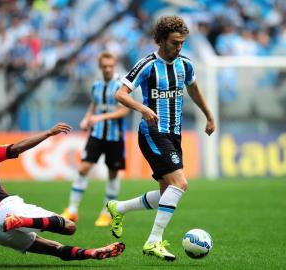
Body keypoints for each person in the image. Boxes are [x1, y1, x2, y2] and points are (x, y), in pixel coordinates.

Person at [0, 123, 125, 266]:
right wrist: (49, 133)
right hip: (6, 209)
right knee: (69, 227)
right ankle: (21, 221)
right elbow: (17, 148)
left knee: (53, 248)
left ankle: (91, 253)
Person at [110, 16, 215, 261]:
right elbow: (120, 93)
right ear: (160, 40)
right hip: (152, 132)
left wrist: (209, 115)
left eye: (182, 43)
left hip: (173, 134)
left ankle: (120, 207)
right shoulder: (147, 64)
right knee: (180, 184)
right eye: (174, 43)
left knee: (167, 191)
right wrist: (143, 109)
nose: (179, 47)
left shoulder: (186, 64)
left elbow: (193, 89)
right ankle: (153, 241)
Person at [61, 52, 130, 227]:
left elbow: (125, 111)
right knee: (83, 168)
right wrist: (87, 118)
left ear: (114, 66)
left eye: (110, 66)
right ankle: (72, 209)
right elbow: (94, 105)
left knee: (113, 174)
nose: (107, 69)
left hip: (115, 137)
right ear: (100, 67)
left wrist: (100, 118)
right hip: (97, 134)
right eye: (104, 66)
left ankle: (107, 212)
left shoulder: (121, 85)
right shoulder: (96, 86)